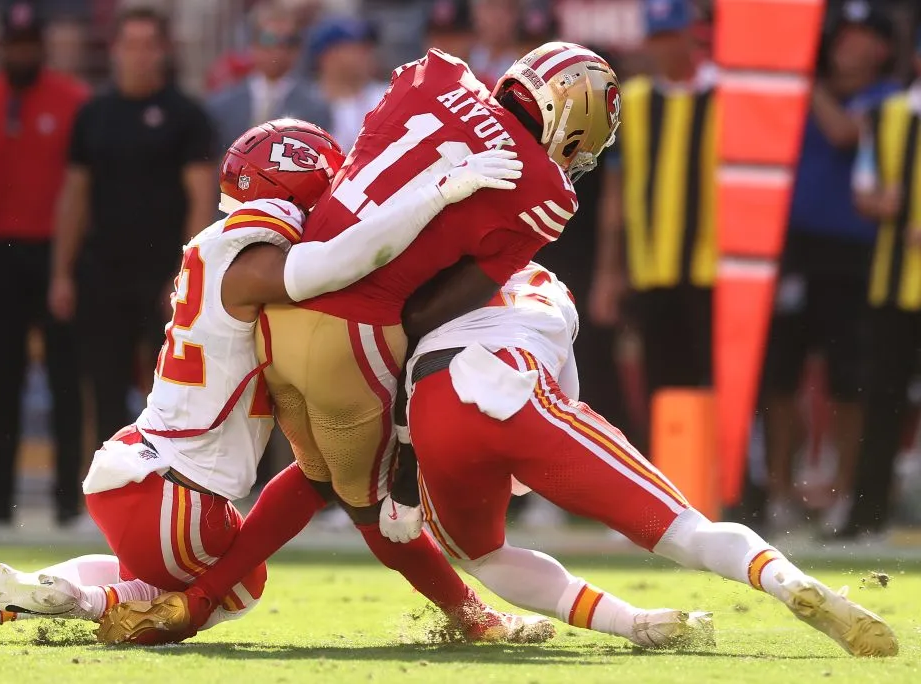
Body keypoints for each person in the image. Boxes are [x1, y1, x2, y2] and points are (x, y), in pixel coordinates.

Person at [0, 119, 532, 645]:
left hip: (130, 474)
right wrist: (439, 190)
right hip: (183, 502)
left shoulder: (211, 248)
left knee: (145, 571)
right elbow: (345, 259)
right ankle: (93, 604)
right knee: (249, 574)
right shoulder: (255, 262)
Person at [112, 42, 620, 644]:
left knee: (318, 475)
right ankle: (468, 620)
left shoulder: (438, 72)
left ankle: (188, 596)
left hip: (281, 323)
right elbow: (427, 308)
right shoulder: (545, 190)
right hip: (350, 330)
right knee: (378, 506)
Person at [384, 258, 898, 658]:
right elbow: (567, 392)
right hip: (520, 390)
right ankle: (787, 581)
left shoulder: (429, 284)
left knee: (482, 557)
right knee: (687, 532)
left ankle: (633, 623)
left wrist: (403, 486)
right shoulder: (549, 288)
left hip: (433, 406)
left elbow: (392, 375)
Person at [49, 6, 217, 450]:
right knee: (101, 385)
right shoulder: (94, 114)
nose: (139, 55)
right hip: (101, 271)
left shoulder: (187, 116)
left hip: (163, 273)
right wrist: (61, 273)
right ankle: (106, 489)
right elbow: (75, 196)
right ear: (115, 49)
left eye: (149, 45)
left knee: (167, 390)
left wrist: (186, 276)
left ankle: (165, 491)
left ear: (163, 51)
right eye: (131, 45)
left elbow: (201, 199)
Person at [760, 0, 900, 533]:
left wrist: (802, 79)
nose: (849, 44)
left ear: (883, 48)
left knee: (848, 379)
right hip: (792, 248)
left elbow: (843, 132)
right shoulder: (804, 92)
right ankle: (777, 490)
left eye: (863, 36)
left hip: (852, 253)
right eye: (844, 34)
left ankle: (844, 491)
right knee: (780, 376)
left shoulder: (887, 100)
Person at [0, 0, 89, 529]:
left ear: (41, 47)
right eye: (13, 44)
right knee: (3, 381)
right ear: (2, 48)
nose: (21, 52)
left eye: (29, 44)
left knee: (67, 379)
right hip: (0, 250)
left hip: (55, 251)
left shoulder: (72, 101)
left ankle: (69, 499)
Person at [589, 0, 717, 463]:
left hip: (715, 267)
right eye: (656, 38)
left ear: (692, 36)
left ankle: (737, 488)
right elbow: (615, 197)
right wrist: (608, 272)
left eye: (671, 36)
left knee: (722, 380)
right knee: (663, 382)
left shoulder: (725, 98)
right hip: (651, 266)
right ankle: (672, 480)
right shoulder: (635, 104)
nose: (663, 48)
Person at [840, 31, 921, 542]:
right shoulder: (888, 116)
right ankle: (866, 513)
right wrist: (877, 202)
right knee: (884, 399)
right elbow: (864, 188)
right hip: (894, 284)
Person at [205, 1, 331, 158]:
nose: (279, 50)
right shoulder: (221, 104)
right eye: (269, 39)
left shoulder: (316, 106)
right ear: (252, 44)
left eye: (289, 42)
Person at [307, 16, 388, 151]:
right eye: (357, 47)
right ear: (328, 54)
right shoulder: (304, 103)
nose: (367, 52)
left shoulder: (388, 96)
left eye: (368, 46)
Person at [467, 0, 523, 89]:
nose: (498, 16)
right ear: (476, 11)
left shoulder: (524, 66)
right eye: (491, 6)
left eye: (507, 8)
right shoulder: (458, 56)